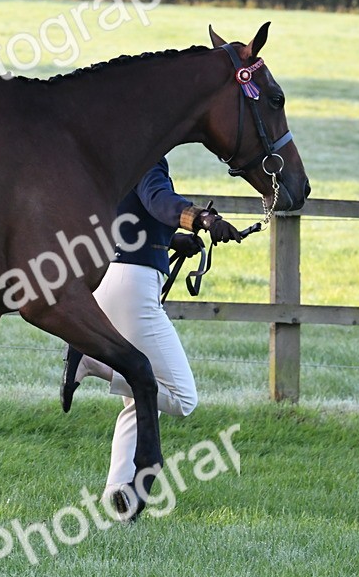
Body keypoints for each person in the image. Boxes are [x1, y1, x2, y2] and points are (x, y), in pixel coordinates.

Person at [60, 157, 241, 516]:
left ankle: (119, 490)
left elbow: (132, 213)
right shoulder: (147, 157)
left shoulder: (113, 156)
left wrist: (171, 240)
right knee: (182, 398)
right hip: (133, 283)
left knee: (139, 400)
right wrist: (203, 219)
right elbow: (159, 201)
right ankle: (93, 362)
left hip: (107, 276)